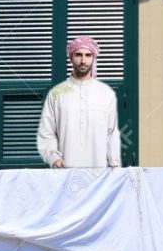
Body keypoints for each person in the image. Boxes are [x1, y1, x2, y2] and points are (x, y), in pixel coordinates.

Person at [37, 36, 122, 168]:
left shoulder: (106, 94)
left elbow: (111, 135)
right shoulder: (57, 93)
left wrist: (114, 166)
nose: (83, 61)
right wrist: (53, 158)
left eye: (88, 55)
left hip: (99, 177)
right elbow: (46, 132)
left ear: (94, 58)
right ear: (71, 57)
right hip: (65, 174)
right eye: (78, 55)